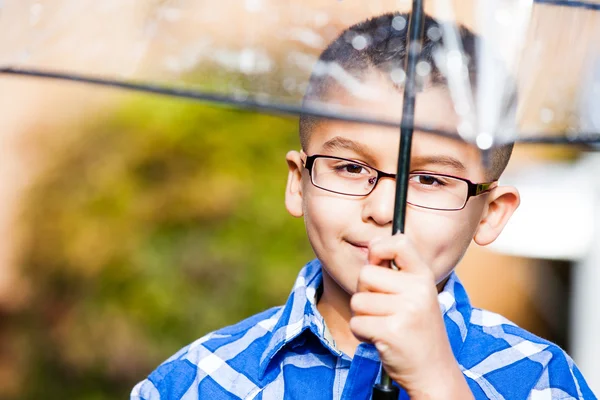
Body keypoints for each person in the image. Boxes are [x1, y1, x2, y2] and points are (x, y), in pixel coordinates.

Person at [131, 12, 594, 399]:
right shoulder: (195, 381)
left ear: (491, 213)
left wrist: (438, 381)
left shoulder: (543, 380)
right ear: (298, 183)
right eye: (350, 168)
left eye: (430, 179)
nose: (382, 208)